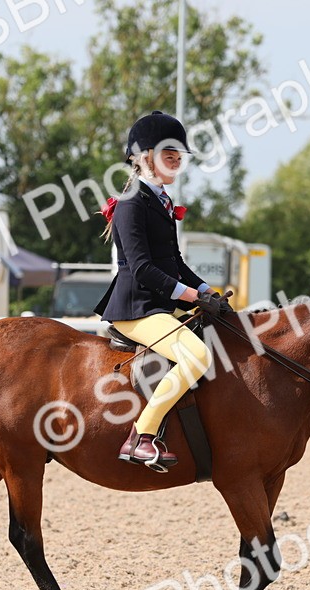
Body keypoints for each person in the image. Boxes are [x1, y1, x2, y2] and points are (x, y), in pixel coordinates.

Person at [95, 111, 229, 471]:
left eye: (178, 157)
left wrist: (206, 290)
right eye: (170, 155)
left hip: (159, 307)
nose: (177, 162)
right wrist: (190, 297)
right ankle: (142, 435)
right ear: (145, 158)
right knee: (198, 357)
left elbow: (174, 261)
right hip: (135, 309)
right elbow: (142, 269)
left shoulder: (161, 201)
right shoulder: (131, 203)